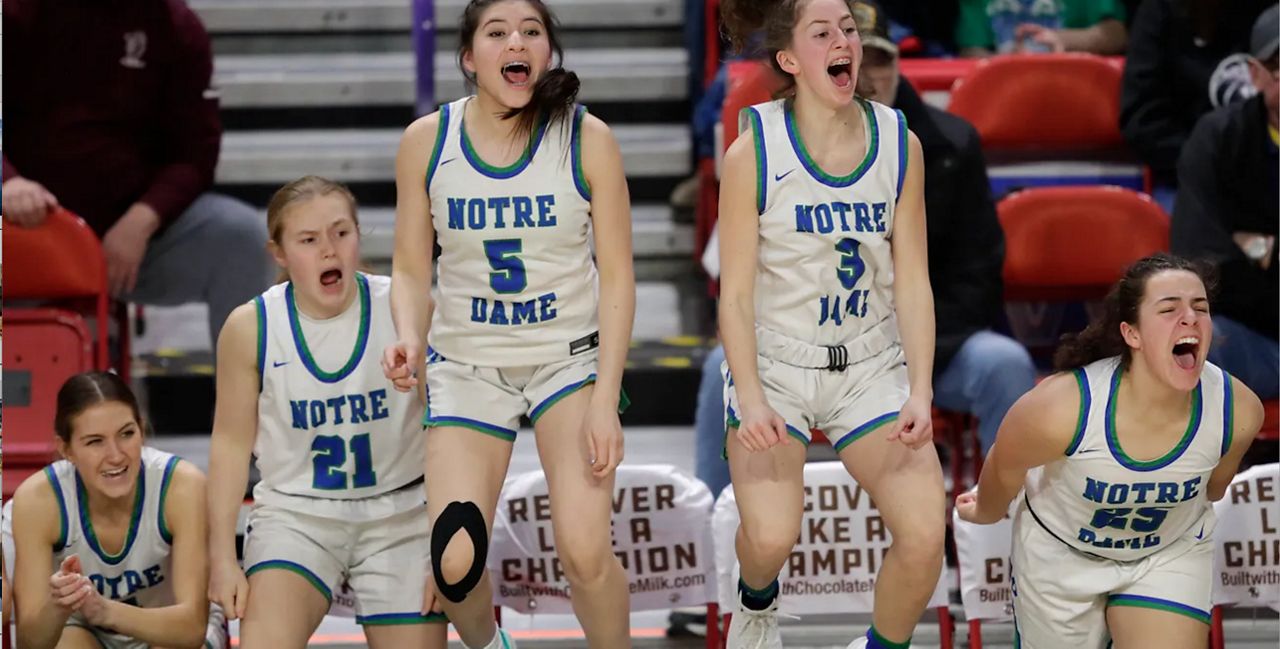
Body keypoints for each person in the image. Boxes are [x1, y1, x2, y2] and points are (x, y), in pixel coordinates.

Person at [382, 1, 637, 647]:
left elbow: (619, 276)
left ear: (547, 52)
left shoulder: (589, 138)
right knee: (454, 563)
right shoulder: (426, 141)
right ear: (470, 58)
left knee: (584, 551)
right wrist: (409, 334)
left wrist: (606, 396)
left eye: (531, 31)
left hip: (567, 361)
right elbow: (411, 268)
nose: (515, 42)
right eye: (496, 33)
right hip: (468, 365)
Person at [716, 1, 945, 647]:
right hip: (778, 366)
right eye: (824, 33)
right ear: (790, 59)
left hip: (868, 362)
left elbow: (914, 281)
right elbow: (733, 296)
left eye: (849, 29)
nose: (844, 40)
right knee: (769, 536)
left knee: (926, 535)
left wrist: (921, 388)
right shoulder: (752, 150)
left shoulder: (901, 141)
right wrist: (752, 394)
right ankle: (756, 599)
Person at [957, 253, 1264, 647]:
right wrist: (985, 509)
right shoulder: (1062, 406)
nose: (1190, 317)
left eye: (1200, 308)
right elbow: (1004, 462)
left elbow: (1214, 488)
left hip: (1166, 552)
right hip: (1061, 554)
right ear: (1131, 334)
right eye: (1169, 308)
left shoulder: (1238, 409)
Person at [205, 177, 448, 648]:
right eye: (309, 240)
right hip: (297, 516)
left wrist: (444, 542)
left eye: (341, 233)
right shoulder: (250, 326)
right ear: (279, 253)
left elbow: (445, 432)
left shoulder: (406, 308)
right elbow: (230, 446)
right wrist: (222, 558)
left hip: (400, 514)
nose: (329, 251)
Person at [1, 0, 271, 350]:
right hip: (26, 228)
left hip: (131, 240)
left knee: (240, 238)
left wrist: (144, 218)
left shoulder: (176, 26)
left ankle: (243, 400)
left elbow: (196, 154)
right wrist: (8, 181)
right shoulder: (16, 14)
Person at [10, 372, 226, 649]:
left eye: (126, 434)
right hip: (85, 631)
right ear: (66, 449)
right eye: (94, 441)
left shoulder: (181, 485)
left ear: (142, 429)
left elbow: (190, 630)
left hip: (167, 630)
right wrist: (59, 605)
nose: (115, 455)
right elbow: (31, 643)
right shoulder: (38, 500)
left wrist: (105, 610)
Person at [1171, 4, 1279, 400]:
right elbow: (1203, 262)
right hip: (1255, 336)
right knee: (1202, 341)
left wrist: (1261, 248)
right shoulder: (1219, 139)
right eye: (1279, 65)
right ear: (1255, 73)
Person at [1120, 0, 1273, 213]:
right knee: (1192, 237)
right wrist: (1206, 161)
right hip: (1185, 177)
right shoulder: (1157, 11)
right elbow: (1141, 121)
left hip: (1266, 175)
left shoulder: (1270, 11)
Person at [956, 0, 1128, 57]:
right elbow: (971, 49)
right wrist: (1007, 64)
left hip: (1074, 88)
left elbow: (1117, 34)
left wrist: (1062, 39)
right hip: (1001, 96)